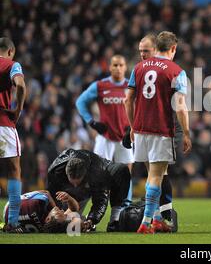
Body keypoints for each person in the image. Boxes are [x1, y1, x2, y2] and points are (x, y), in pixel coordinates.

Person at [125, 31, 191, 234]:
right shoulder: (176, 71)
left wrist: (133, 126)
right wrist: (187, 133)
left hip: (141, 129)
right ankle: (146, 223)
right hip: (161, 130)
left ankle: (158, 218)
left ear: (156, 47)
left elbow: (128, 99)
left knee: (157, 174)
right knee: (156, 176)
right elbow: (180, 106)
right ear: (173, 48)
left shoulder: (138, 68)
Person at [76, 55, 134, 206]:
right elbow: (80, 102)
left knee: (126, 173)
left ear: (125, 67)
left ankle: (125, 208)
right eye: (115, 65)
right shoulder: (100, 86)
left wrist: (133, 125)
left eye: (121, 65)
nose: (118, 68)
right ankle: (98, 205)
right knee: (97, 174)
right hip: (105, 137)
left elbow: (141, 107)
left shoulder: (131, 86)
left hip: (125, 137)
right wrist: (92, 122)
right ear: (110, 67)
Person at [47, 148, 131, 232]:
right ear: (66, 172)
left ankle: (114, 220)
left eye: (78, 183)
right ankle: (80, 218)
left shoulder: (96, 170)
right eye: (72, 183)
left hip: (87, 190)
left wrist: (92, 220)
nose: (75, 186)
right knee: (62, 223)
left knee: (121, 170)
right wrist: (53, 214)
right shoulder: (56, 170)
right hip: (68, 196)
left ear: (85, 174)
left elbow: (101, 200)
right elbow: (50, 194)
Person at [0, 37, 27, 233]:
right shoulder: (12, 64)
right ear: (11, 51)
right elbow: (21, 85)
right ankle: (13, 222)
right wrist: (17, 110)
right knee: (13, 171)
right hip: (3, 123)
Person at [2, 190, 80, 233]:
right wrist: (69, 199)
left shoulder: (39, 203)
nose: (62, 210)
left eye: (59, 212)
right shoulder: (49, 226)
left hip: (10, 206)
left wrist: (54, 205)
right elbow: (74, 209)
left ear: (48, 219)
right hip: (7, 219)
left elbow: (46, 193)